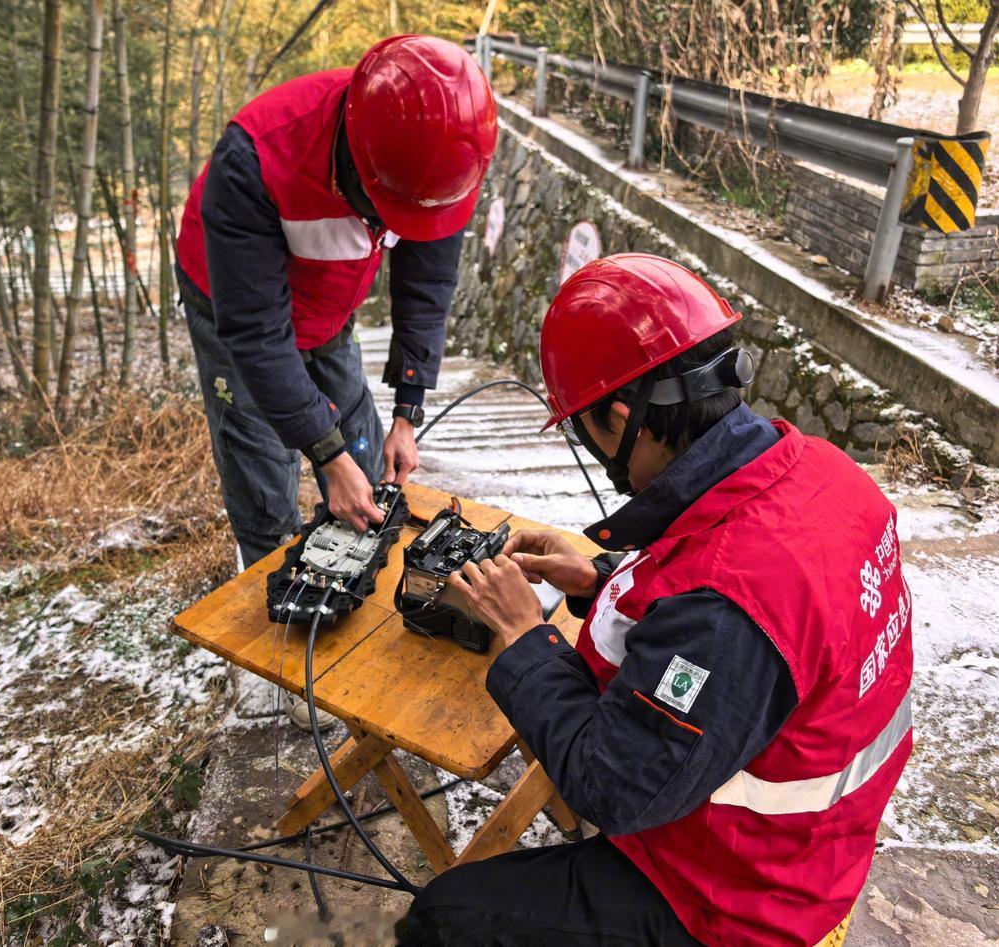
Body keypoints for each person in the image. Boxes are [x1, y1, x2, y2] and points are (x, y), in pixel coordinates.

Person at [397, 254, 914, 946]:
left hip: (738, 901)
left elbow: (610, 785)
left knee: (443, 918)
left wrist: (525, 637)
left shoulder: (729, 604)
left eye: (584, 426)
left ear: (621, 419)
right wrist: (600, 577)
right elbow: (738, 619)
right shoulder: (827, 474)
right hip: (812, 849)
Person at [175, 34, 497, 571]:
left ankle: (357, 583)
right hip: (231, 302)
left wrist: (407, 412)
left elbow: (426, 289)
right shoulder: (256, 157)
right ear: (358, 161)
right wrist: (324, 454)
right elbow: (257, 334)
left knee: (367, 465)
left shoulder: (440, 159)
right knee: (264, 467)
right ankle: (266, 580)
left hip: (331, 303)